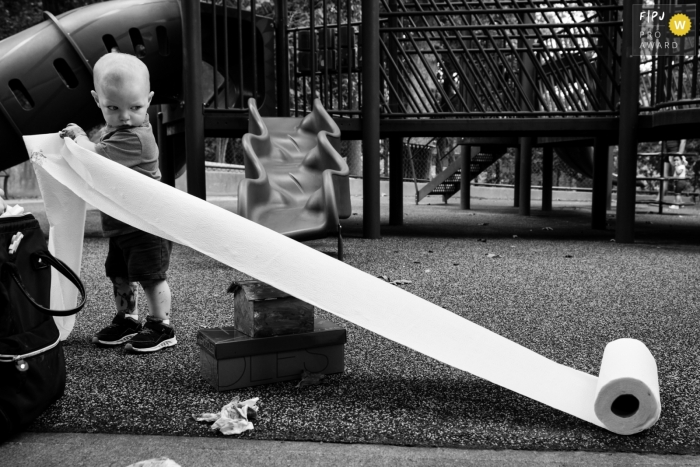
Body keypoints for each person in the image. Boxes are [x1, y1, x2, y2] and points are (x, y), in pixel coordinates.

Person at [60, 52, 176, 353]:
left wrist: (80, 136)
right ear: (97, 100)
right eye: (113, 107)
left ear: (149, 100)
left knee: (151, 275)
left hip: (146, 224)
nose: (125, 116)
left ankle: (161, 325)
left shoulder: (136, 138)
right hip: (122, 223)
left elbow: (94, 157)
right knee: (119, 273)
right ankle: (128, 318)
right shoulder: (116, 130)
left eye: (135, 107)